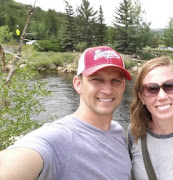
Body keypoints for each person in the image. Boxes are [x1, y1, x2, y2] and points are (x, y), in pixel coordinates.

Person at [0, 46, 132, 180]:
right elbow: (14, 162)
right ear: (78, 84)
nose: (108, 90)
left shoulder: (117, 131)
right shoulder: (59, 137)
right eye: (97, 79)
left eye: (115, 81)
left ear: (123, 86)